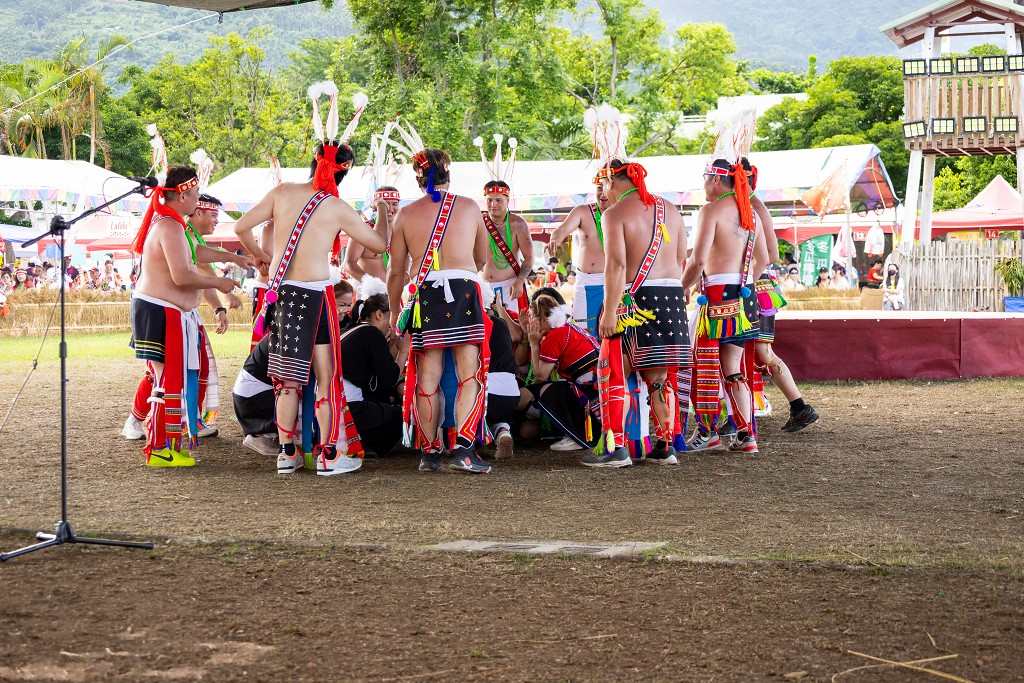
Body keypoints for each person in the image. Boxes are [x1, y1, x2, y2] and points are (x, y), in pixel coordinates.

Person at [235, 115, 387, 476]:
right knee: (326, 377)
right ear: (342, 173)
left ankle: (286, 453)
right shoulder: (336, 207)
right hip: (317, 299)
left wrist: (262, 256)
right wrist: (381, 208)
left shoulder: (282, 192)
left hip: (284, 295)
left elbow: (241, 227)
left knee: (286, 382)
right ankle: (330, 455)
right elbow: (379, 245)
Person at [386, 144, 492, 474]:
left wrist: (393, 312)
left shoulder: (405, 214)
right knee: (469, 374)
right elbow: (481, 259)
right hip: (463, 288)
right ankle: (463, 449)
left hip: (425, 291)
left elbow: (396, 271)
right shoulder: (470, 207)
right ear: (449, 173)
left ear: (417, 178)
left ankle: (429, 453)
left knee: (427, 378)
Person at [128, 165, 237, 467]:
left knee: (172, 379)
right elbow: (182, 275)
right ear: (184, 195)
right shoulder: (169, 226)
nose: (198, 199)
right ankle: (160, 448)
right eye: (196, 195)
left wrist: (231, 256)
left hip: (168, 312)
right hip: (161, 311)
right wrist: (219, 282)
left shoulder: (177, 226)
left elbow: (196, 253)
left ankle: (167, 444)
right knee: (166, 380)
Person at [587, 158, 689, 468]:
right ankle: (665, 445)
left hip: (635, 298)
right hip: (672, 296)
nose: (605, 192)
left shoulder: (613, 214)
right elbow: (683, 256)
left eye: (605, 185)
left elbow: (616, 265)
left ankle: (616, 447)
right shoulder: (670, 208)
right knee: (659, 378)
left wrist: (608, 312)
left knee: (612, 369)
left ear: (613, 182)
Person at [683, 156, 770, 454]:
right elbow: (765, 260)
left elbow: (698, 260)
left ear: (716, 180)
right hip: (744, 298)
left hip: (717, 298)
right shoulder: (750, 215)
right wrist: (744, 280)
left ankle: (708, 431)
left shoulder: (711, 211)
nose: (704, 185)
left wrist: (683, 286)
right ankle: (747, 435)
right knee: (733, 368)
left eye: (705, 179)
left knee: (703, 365)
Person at [522, 294, 600, 452]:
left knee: (544, 391)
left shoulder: (555, 335)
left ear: (544, 319)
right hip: (596, 389)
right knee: (535, 393)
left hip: (590, 395)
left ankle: (578, 436)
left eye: (531, 317)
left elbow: (541, 376)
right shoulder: (567, 327)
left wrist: (534, 344)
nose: (530, 322)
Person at [340, 279, 405, 457]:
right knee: (403, 416)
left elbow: (379, 381)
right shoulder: (371, 333)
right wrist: (404, 351)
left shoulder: (350, 329)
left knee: (386, 405)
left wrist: (391, 346)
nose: (393, 325)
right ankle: (365, 443)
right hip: (350, 408)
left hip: (331, 406)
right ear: (379, 314)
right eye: (392, 317)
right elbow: (390, 378)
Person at [545, 171, 612, 339]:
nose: (602, 193)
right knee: (585, 334)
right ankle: (589, 365)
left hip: (616, 280)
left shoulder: (623, 213)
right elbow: (561, 230)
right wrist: (555, 239)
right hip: (587, 281)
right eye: (598, 188)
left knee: (615, 330)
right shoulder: (582, 211)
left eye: (606, 187)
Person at [480, 180, 533, 318]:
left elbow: (529, 257)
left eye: (499, 200)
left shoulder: (518, 224)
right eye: (489, 200)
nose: (493, 205)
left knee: (513, 333)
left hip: (511, 287)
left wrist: (519, 281)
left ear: (508, 200)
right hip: (486, 288)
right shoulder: (479, 223)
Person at [485, 297, 518, 460]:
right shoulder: (502, 324)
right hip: (510, 392)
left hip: (486, 390)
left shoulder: (475, 324)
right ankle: (504, 433)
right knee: (500, 419)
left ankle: (464, 444)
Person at [343, 186, 398, 281]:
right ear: (377, 207)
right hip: (369, 293)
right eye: (385, 204)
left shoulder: (402, 230)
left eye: (395, 204)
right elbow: (349, 264)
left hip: (396, 292)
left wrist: (406, 275)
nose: (390, 208)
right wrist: (371, 284)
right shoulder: (364, 230)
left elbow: (408, 259)